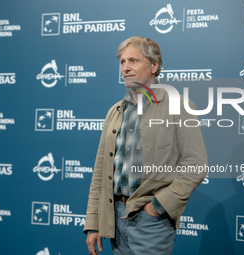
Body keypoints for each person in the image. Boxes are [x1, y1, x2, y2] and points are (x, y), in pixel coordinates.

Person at [84, 36, 207, 255]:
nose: (126, 68)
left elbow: (195, 165)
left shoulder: (179, 105)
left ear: (154, 66)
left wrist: (157, 208)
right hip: (114, 221)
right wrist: (94, 222)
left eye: (133, 61)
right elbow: (100, 172)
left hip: (151, 222)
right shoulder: (114, 112)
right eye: (122, 62)